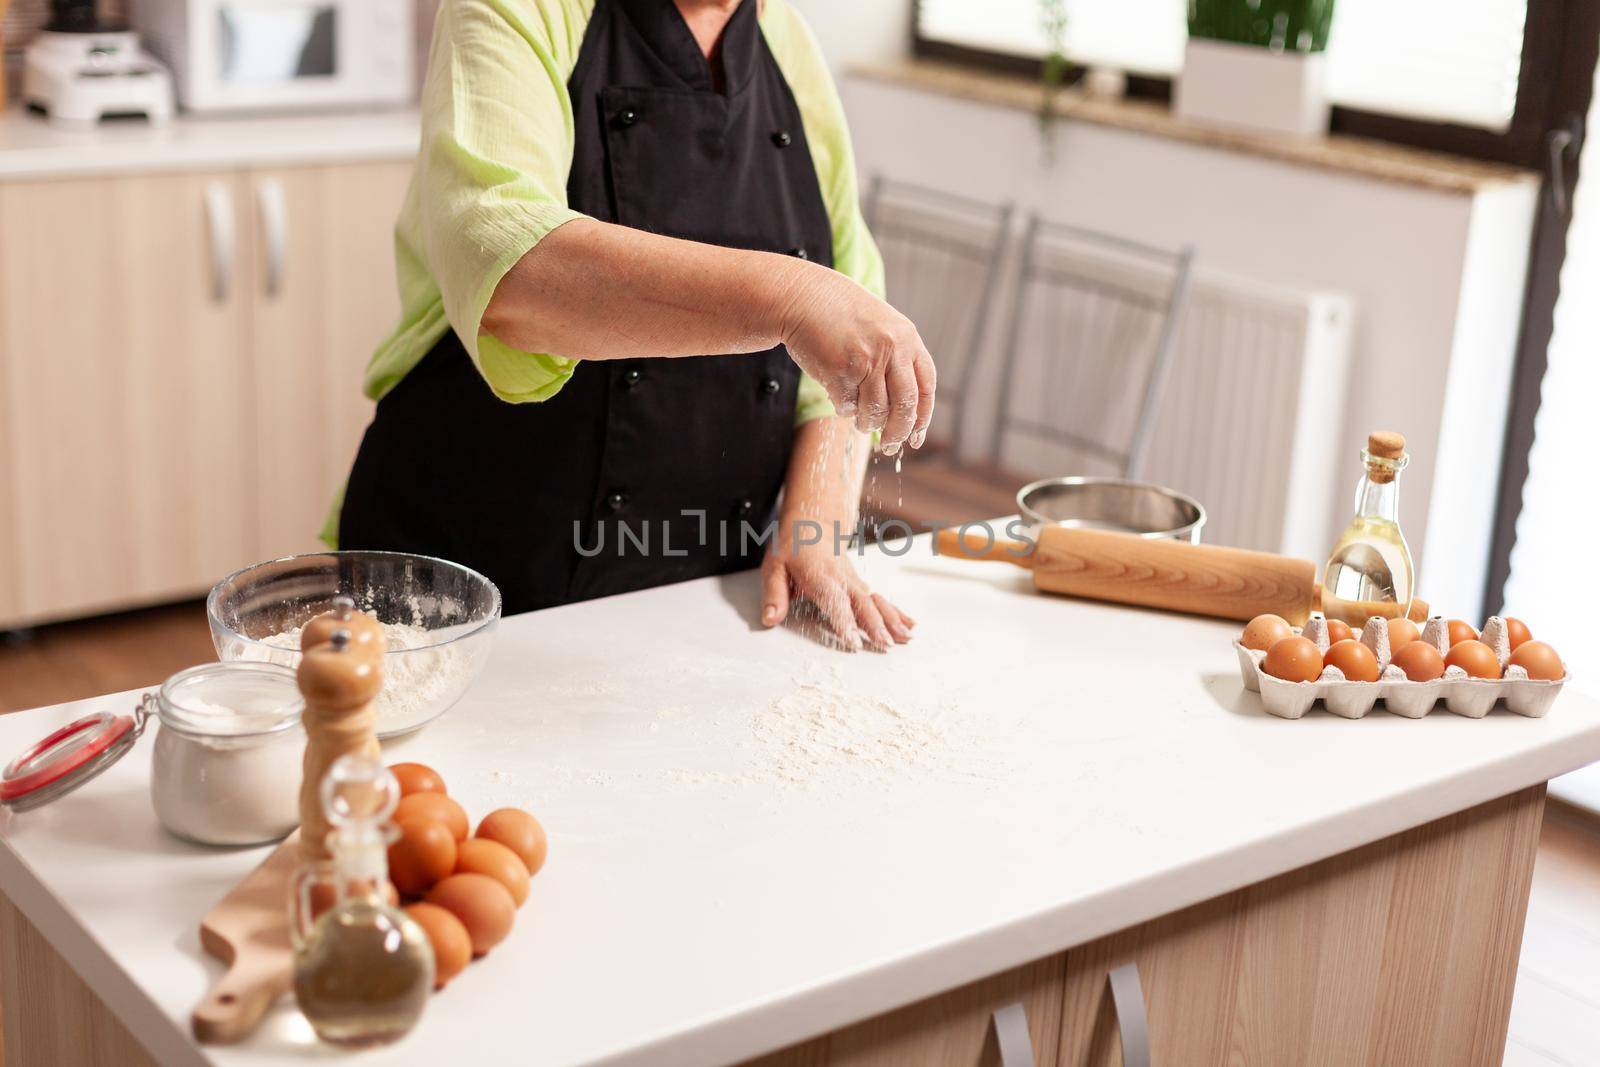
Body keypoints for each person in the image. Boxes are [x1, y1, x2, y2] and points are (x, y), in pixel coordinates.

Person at [334, 0, 934, 652]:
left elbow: (847, 319)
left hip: (702, 601)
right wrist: (790, 299)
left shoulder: (784, 41)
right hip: (472, 594)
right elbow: (506, 268)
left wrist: (815, 520)